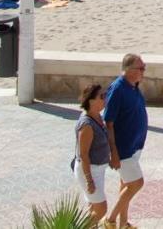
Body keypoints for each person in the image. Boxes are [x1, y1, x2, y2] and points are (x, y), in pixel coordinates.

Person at [103, 53, 149, 229]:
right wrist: (113, 152)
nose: (143, 71)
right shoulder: (118, 89)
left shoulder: (133, 86)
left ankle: (123, 223)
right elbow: (109, 122)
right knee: (137, 183)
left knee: (126, 184)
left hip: (135, 146)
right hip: (124, 149)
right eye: (140, 68)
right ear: (129, 70)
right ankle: (110, 220)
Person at [73, 83, 111, 225]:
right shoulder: (87, 125)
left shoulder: (99, 118)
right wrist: (89, 180)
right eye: (102, 96)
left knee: (93, 207)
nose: (105, 98)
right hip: (89, 171)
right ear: (91, 100)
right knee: (101, 208)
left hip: (98, 169)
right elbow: (83, 154)